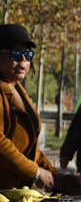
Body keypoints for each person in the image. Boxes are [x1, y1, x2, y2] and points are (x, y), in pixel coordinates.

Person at [0, 24, 55, 192]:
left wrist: (54, 174)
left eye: (28, 54)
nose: (23, 60)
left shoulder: (15, 87)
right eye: (16, 54)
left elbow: (27, 146)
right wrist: (35, 172)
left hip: (13, 195)